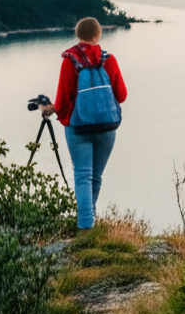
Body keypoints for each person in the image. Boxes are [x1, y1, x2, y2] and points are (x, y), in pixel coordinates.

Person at [41, 16, 127, 231]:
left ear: (78, 35)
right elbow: (122, 95)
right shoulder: (109, 60)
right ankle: (90, 223)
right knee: (95, 177)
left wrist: (49, 109)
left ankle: (85, 227)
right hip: (107, 128)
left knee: (82, 175)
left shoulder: (70, 61)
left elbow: (62, 102)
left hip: (78, 128)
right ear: (99, 34)